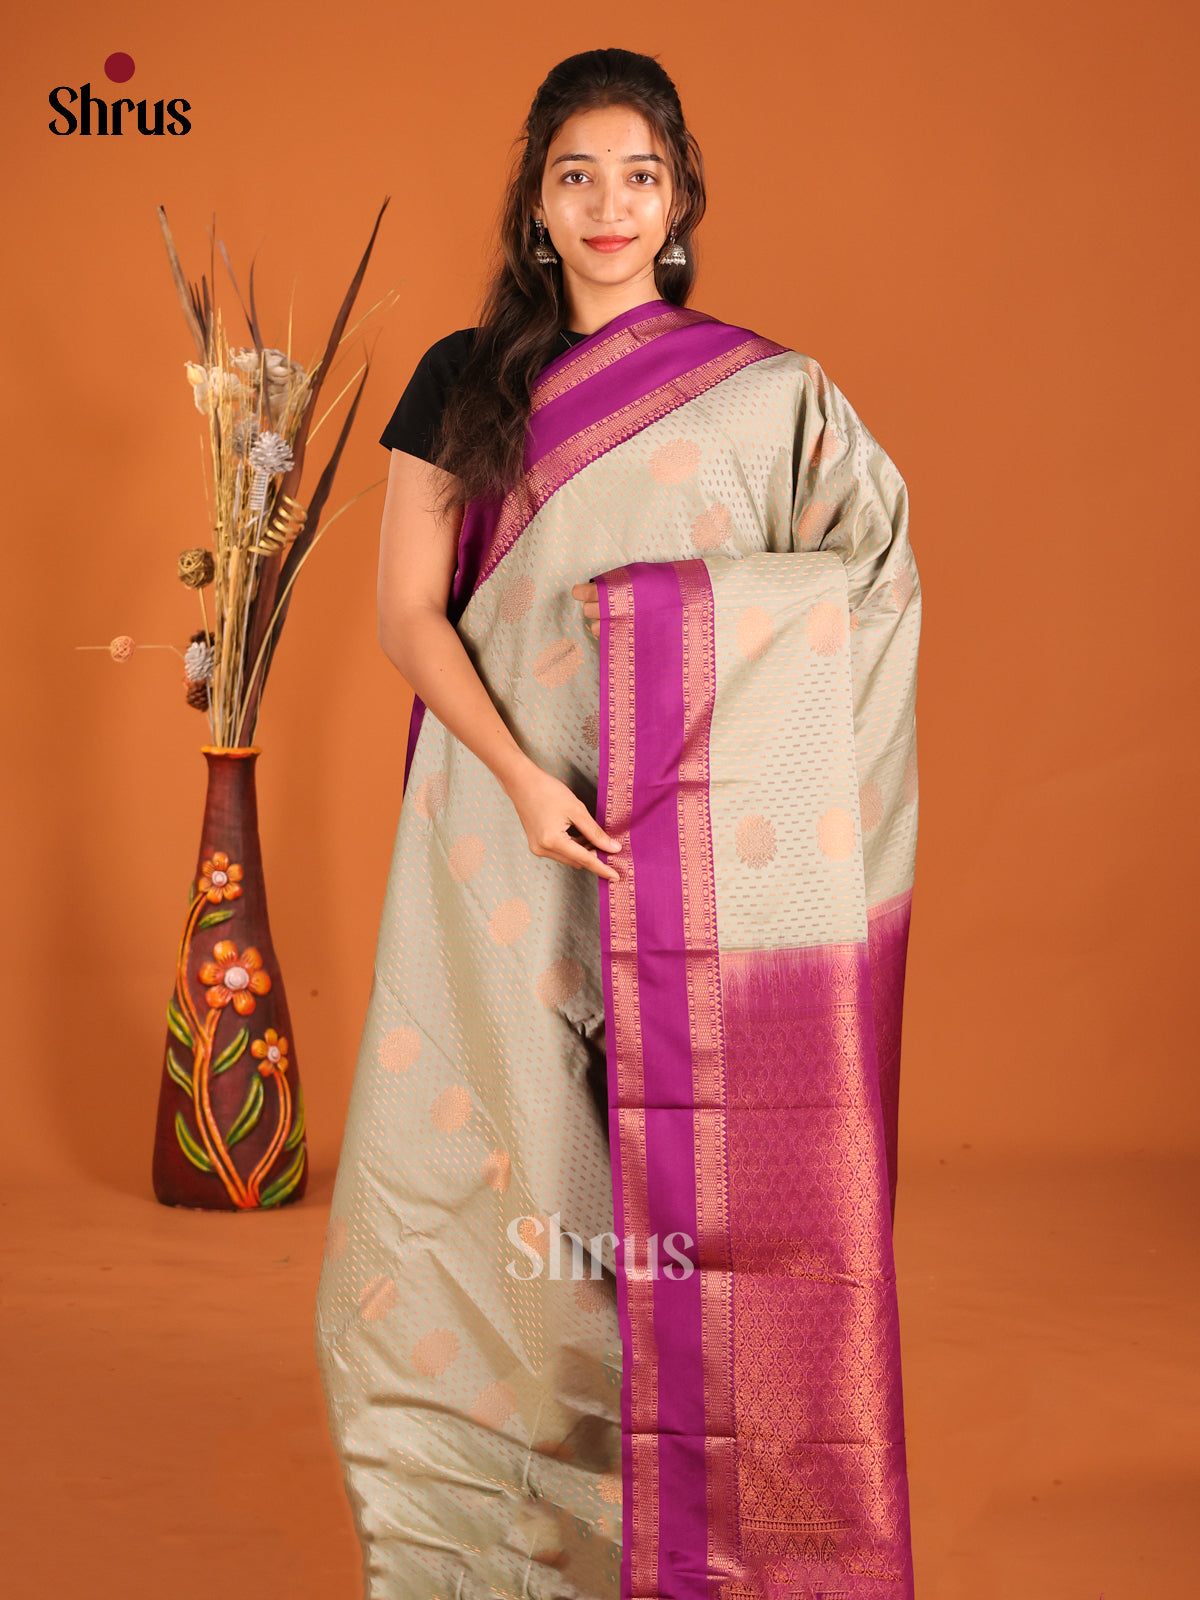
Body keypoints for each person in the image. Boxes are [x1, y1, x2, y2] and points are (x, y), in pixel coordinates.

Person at [315, 46, 920, 1600]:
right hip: (497, 836)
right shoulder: (466, 379)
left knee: (675, 1189)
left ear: (680, 197)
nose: (607, 205)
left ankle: (702, 1537)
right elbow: (407, 616)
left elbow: (861, 589)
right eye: (575, 175)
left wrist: (676, 682)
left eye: (637, 176)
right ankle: (503, 1547)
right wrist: (529, 781)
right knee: (502, 1183)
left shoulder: (769, 398)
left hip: (701, 862)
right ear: (536, 201)